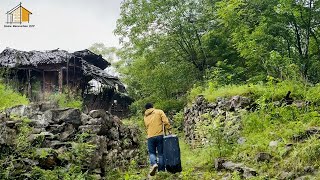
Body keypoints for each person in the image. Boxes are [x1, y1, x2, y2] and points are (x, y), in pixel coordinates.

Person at [144, 102, 172, 176]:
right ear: (152, 106)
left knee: (152, 153)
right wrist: (169, 129)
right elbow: (165, 121)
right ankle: (161, 171)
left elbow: (146, 126)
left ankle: (154, 164)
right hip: (159, 135)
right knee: (161, 154)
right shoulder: (159, 111)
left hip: (150, 136)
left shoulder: (145, 116)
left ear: (146, 109)